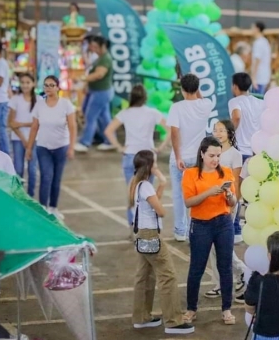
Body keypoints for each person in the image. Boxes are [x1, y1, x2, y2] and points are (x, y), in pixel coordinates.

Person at [128, 151, 194, 334]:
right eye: (155, 164)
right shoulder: (146, 187)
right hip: (150, 234)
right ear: (149, 166)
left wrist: (162, 182)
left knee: (144, 275)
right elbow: (161, 211)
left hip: (140, 233)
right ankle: (174, 321)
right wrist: (159, 178)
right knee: (168, 275)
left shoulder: (136, 184)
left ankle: (141, 317)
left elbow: (151, 202)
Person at [182, 136, 238, 325]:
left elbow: (233, 203)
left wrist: (229, 195)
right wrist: (208, 193)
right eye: (211, 155)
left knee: (225, 266)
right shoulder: (191, 174)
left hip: (223, 223)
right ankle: (191, 309)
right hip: (200, 225)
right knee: (196, 268)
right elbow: (188, 202)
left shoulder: (226, 172)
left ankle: (227, 309)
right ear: (202, 154)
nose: (215, 160)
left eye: (218, 156)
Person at [105, 85, 167, 226]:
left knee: (132, 193)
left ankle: (133, 227)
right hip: (148, 157)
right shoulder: (153, 112)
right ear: (145, 97)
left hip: (130, 155)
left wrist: (119, 147)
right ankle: (147, 224)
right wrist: (160, 147)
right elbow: (169, 130)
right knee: (148, 193)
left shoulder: (125, 113)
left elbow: (108, 131)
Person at [205, 120, 248, 301]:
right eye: (215, 130)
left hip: (228, 203)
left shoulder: (235, 154)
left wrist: (233, 202)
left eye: (221, 130)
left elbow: (236, 181)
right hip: (212, 202)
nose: (218, 133)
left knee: (221, 244)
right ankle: (220, 284)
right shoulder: (212, 151)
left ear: (230, 132)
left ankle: (243, 272)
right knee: (214, 246)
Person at [170, 74, 215, 241]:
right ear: (197, 89)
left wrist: (177, 156)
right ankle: (192, 230)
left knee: (178, 194)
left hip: (180, 158)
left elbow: (174, 133)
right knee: (196, 194)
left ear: (181, 89)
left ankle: (180, 230)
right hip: (198, 157)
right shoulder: (206, 104)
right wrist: (197, 91)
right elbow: (200, 98)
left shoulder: (176, 107)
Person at [26, 76, 77, 220]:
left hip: (61, 147)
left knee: (56, 178)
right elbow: (34, 127)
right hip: (43, 147)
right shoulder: (39, 105)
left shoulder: (66, 104)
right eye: (45, 85)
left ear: (57, 87)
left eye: (51, 85)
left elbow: (73, 127)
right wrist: (29, 148)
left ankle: (53, 207)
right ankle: (43, 208)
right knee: (46, 176)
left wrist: (71, 147)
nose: (48, 88)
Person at [75, 35, 114, 153]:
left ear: (103, 46)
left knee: (90, 116)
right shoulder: (100, 57)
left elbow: (99, 74)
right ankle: (108, 140)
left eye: (95, 46)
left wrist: (82, 78)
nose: (93, 49)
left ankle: (85, 142)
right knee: (104, 118)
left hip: (101, 93)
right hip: (100, 92)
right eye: (91, 46)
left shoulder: (105, 59)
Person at [8, 73, 38, 197]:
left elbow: (38, 123)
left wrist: (21, 124)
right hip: (18, 139)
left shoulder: (40, 101)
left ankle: (30, 195)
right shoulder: (15, 99)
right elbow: (11, 123)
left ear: (33, 84)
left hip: (35, 139)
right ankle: (18, 195)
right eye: (23, 82)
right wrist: (24, 139)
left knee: (32, 170)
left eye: (28, 82)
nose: (25, 85)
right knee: (18, 168)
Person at [229, 72, 265, 162]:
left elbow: (237, 117)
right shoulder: (260, 102)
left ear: (235, 87)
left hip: (241, 150)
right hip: (256, 151)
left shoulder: (234, 101)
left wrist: (229, 133)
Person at [250, 21, 271, 94]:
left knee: (256, 101)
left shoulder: (258, 43)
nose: (251, 30)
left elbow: (257, 60)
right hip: (265, 76)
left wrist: (253, 78)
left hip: (259, 78)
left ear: (257, 29)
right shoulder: (265, 41)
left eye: (253, 28)